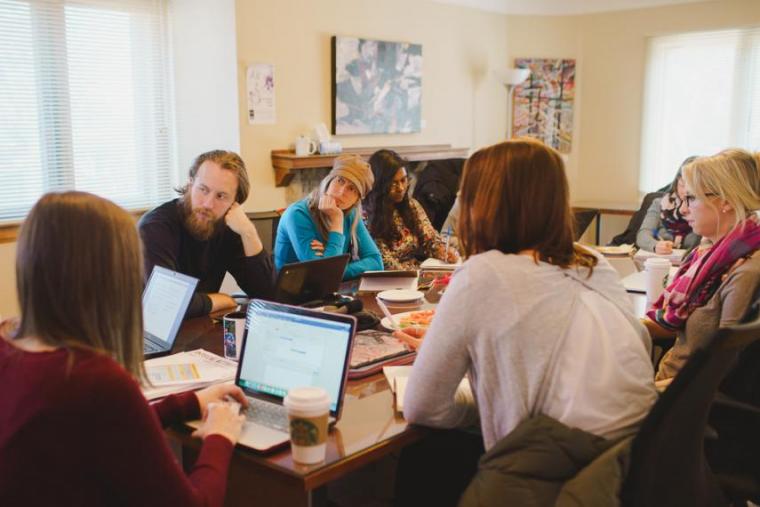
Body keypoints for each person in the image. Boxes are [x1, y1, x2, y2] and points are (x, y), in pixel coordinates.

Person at [398, 138, 656, 451]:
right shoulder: (593, 263)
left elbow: (423, 407)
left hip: (552, 472)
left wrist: (483, 392)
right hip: (638, 457)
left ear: (480, 205)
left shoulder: (482, 274)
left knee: (421, 457)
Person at [0, 191, 248, 506]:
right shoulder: (94, 379)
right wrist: (220, 436)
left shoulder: (9, 344)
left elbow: (109, 424)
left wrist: (189, 403)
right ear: (111, 276)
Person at [643, 148, 760, 381]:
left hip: (679, 400)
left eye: (692, 198)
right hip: (671, 388)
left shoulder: (745, 270)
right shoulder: (705, 254)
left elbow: (723, 373)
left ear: (725, 201)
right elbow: (673, 324)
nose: (683, 209)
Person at [139, 150, 274, 318]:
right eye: (203, 189)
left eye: (221, 196)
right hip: (146, 333)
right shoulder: (156, 227)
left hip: (199, 328)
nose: (208, 204)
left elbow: (268, 297)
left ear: (234, 203)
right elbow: (165, 303)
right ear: (190, 184)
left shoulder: (228, 226)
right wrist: (217, 300)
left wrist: (249, 233)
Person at [274, 154, 383, 279]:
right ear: (329, 181)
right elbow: (324, 276)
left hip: (330, 292)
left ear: (357, 200)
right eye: (340, 180)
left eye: (351, 188)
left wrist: (340, 270)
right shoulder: (297, 214)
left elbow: (376, 262)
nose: (342, 192)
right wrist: (337, 221)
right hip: (292, 295)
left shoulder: (350, 213)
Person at [364, 149, 459, 269]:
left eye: (403, 180)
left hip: (415, 273)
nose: (401, 188)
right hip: (390, 277)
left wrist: (445, 251)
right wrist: (415, 277)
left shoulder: (411, 205)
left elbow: (430, 239)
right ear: (379, 184)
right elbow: (384, 261)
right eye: (393, 183)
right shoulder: (367, 215)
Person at [636, 157, 701, 254]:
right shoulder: (660, 203)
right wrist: (655, 245)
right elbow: (643, 235)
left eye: (690, 187)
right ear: (676, 182)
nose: (684, 192)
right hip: (661, 260)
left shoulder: (702, 208)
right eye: (682, 185)